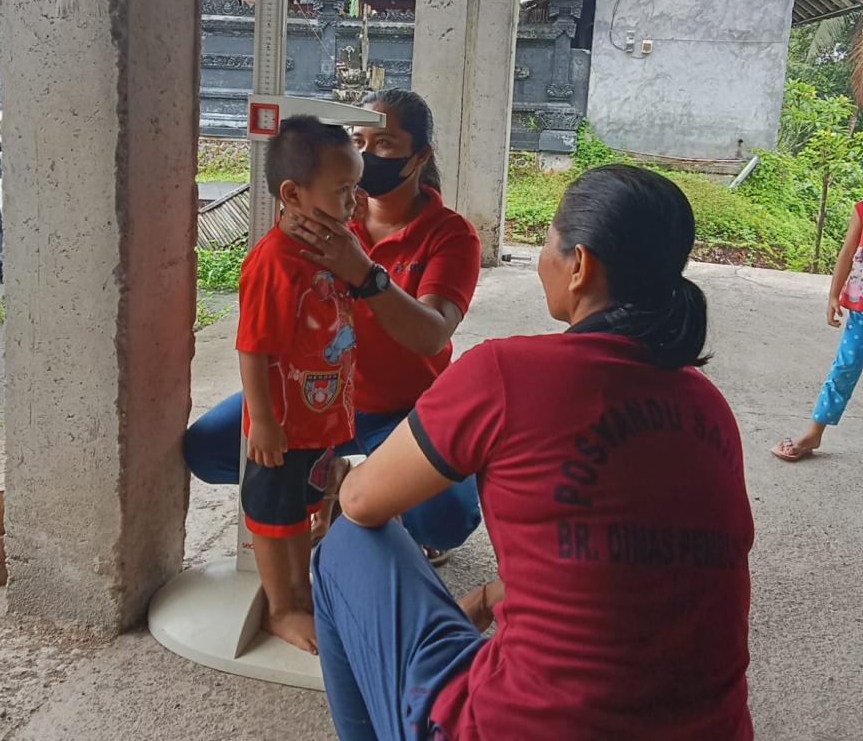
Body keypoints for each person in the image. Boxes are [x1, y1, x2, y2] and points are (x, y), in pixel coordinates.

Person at [312, 165, 755, 741]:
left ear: (580, 266)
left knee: (346, 538)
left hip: (515, 726)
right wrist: (507, 593)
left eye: (548, 238)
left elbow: (362, 499)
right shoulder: (708, 407)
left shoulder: (507, 372)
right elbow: (646, 550)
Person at [184, 89, 483, 561]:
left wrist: (363, 272)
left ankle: (354, 487)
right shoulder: (321, 214)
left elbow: (431, 336)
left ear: (418, 157)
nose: (366, 156)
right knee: (208, 450)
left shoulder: (449, 234)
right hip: (313, 394)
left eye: (384, 143)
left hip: (401, 412)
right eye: (358, 140)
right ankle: (331, 470)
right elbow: (268, 304)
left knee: (445, 518)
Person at [236, 116, 362, 654]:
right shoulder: (275, 262)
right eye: (342, 191)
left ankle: (301, 591)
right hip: (283, 425)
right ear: (292, 193)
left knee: (303, 509)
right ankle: (280, 609)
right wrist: (262, 420)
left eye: (356, 189)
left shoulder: (336, 244)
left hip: (318, 417)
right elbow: (252, 347)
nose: (354, 203)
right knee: (275, 516)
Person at [773, 200, 863, 461]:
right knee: (844, 369)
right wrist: (833, 295)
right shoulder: (861, 211)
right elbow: (847, 253)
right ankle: (814, 433)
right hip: (860, 315)